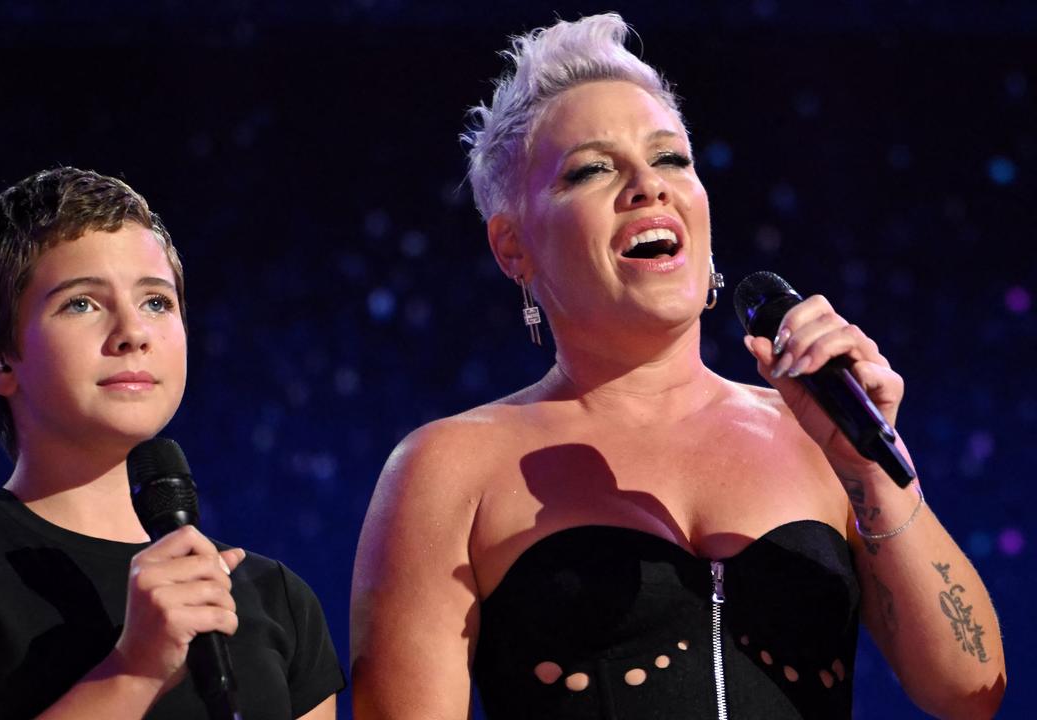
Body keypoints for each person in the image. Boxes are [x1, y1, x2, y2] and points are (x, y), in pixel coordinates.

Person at [350, 13, 1005, 719]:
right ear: (513, 247)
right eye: (591, 170)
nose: (647, 186)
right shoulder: (447, 470)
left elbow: (969, 691)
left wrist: (869, 465)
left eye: (671, 159)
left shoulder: (818, 436)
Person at [0, 167, 344, 719]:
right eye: (81, 303)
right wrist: (133, 671)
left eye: (157, 301)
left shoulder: (277, 600)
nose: (134, 331)